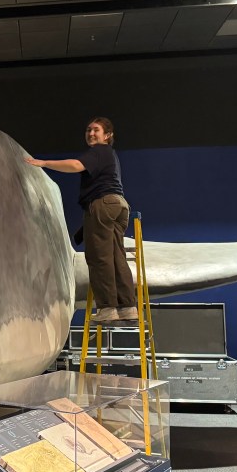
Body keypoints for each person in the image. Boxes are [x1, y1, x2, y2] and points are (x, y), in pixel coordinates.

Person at [25, 117, 137, 323]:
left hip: (103, 203)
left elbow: (76, 165)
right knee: (116, 257)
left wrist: (43, 163)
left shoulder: (99, 151)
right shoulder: (110, 155)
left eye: (96, 130)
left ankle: (108, 307)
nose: (91, 133)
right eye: (88, 130)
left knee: (99, 257)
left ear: (108, 135)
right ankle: (128, 306)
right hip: (118, 206)